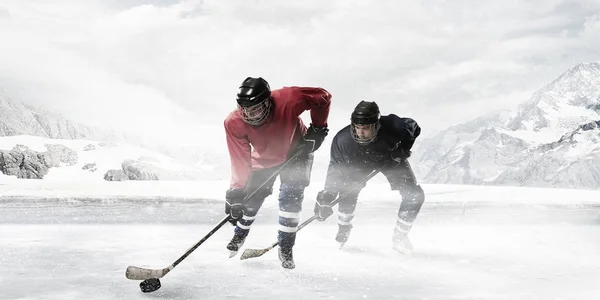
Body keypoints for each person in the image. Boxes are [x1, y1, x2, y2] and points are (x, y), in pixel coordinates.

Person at [224, 77, 331, 269]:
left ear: (267, 102)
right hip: (265, 158)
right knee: (252, 198)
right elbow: (240, 159)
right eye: (244, 109)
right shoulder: (233, 122)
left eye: (255, 108)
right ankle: (239, 235)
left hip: (298, 152)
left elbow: (323, 96)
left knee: (290, 198)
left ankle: (286, 247)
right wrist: (237, 191)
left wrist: (318, 128)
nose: (249, 115)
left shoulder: (288, 99)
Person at [313, 100, 424, 254]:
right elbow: (335, 169)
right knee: (348, 190)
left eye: (365, 128)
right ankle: (343, 230)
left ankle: (400, 236)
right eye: (357, 128)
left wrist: (404, 148)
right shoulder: (342, 141)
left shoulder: (393, 126)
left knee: (415, 195)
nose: (360, 133)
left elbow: (414, 127)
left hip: (390, 158)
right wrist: (327, 196)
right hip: (358, 161)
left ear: (376, 125)